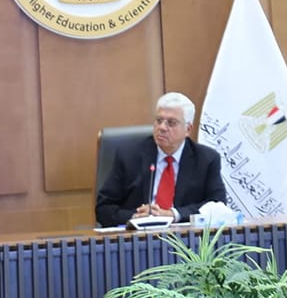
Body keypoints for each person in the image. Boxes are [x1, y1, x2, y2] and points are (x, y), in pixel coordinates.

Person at [95, 93, 227, 228]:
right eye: (159, 120)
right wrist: (136, 216)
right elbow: (103, 208)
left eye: (171, 123)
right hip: (138, 236)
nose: (162, 127)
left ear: (188, 129)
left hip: (184, 237)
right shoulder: (128, 155)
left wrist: (173, 214)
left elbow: (218, 205)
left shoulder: (207, 159)